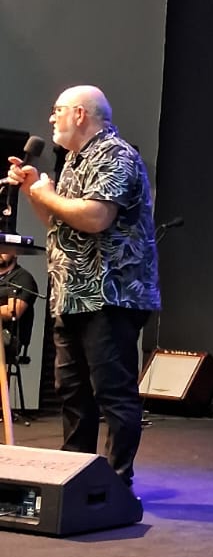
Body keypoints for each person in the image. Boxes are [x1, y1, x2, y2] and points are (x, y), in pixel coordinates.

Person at [6, 86, 159, 488]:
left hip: (111, 295)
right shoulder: (75, 160)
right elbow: (59, 221)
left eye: (57, 110)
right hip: (72, 295)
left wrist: (47, 193)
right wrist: (35, 191)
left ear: (79, 114)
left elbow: (94, 217)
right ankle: (77, 480)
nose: (51, 118)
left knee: (112, 393)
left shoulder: (115, 154)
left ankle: (117, 484)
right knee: (72, 392)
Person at [0, 247, 38, 362]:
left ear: (15, 253)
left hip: (9, 336)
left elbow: (13, 312)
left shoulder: (23, 278)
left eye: (4, 248)